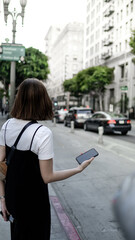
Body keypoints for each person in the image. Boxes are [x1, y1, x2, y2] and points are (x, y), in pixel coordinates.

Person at [0, 78, 94, 240]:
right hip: (34, 203)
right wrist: (79, 169)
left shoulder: (7, 125)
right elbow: (47, 176)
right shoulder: (42, 133)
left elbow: (0, 167)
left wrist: (3, 200)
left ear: (19, 99)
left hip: (12, 199)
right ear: (42, 101)